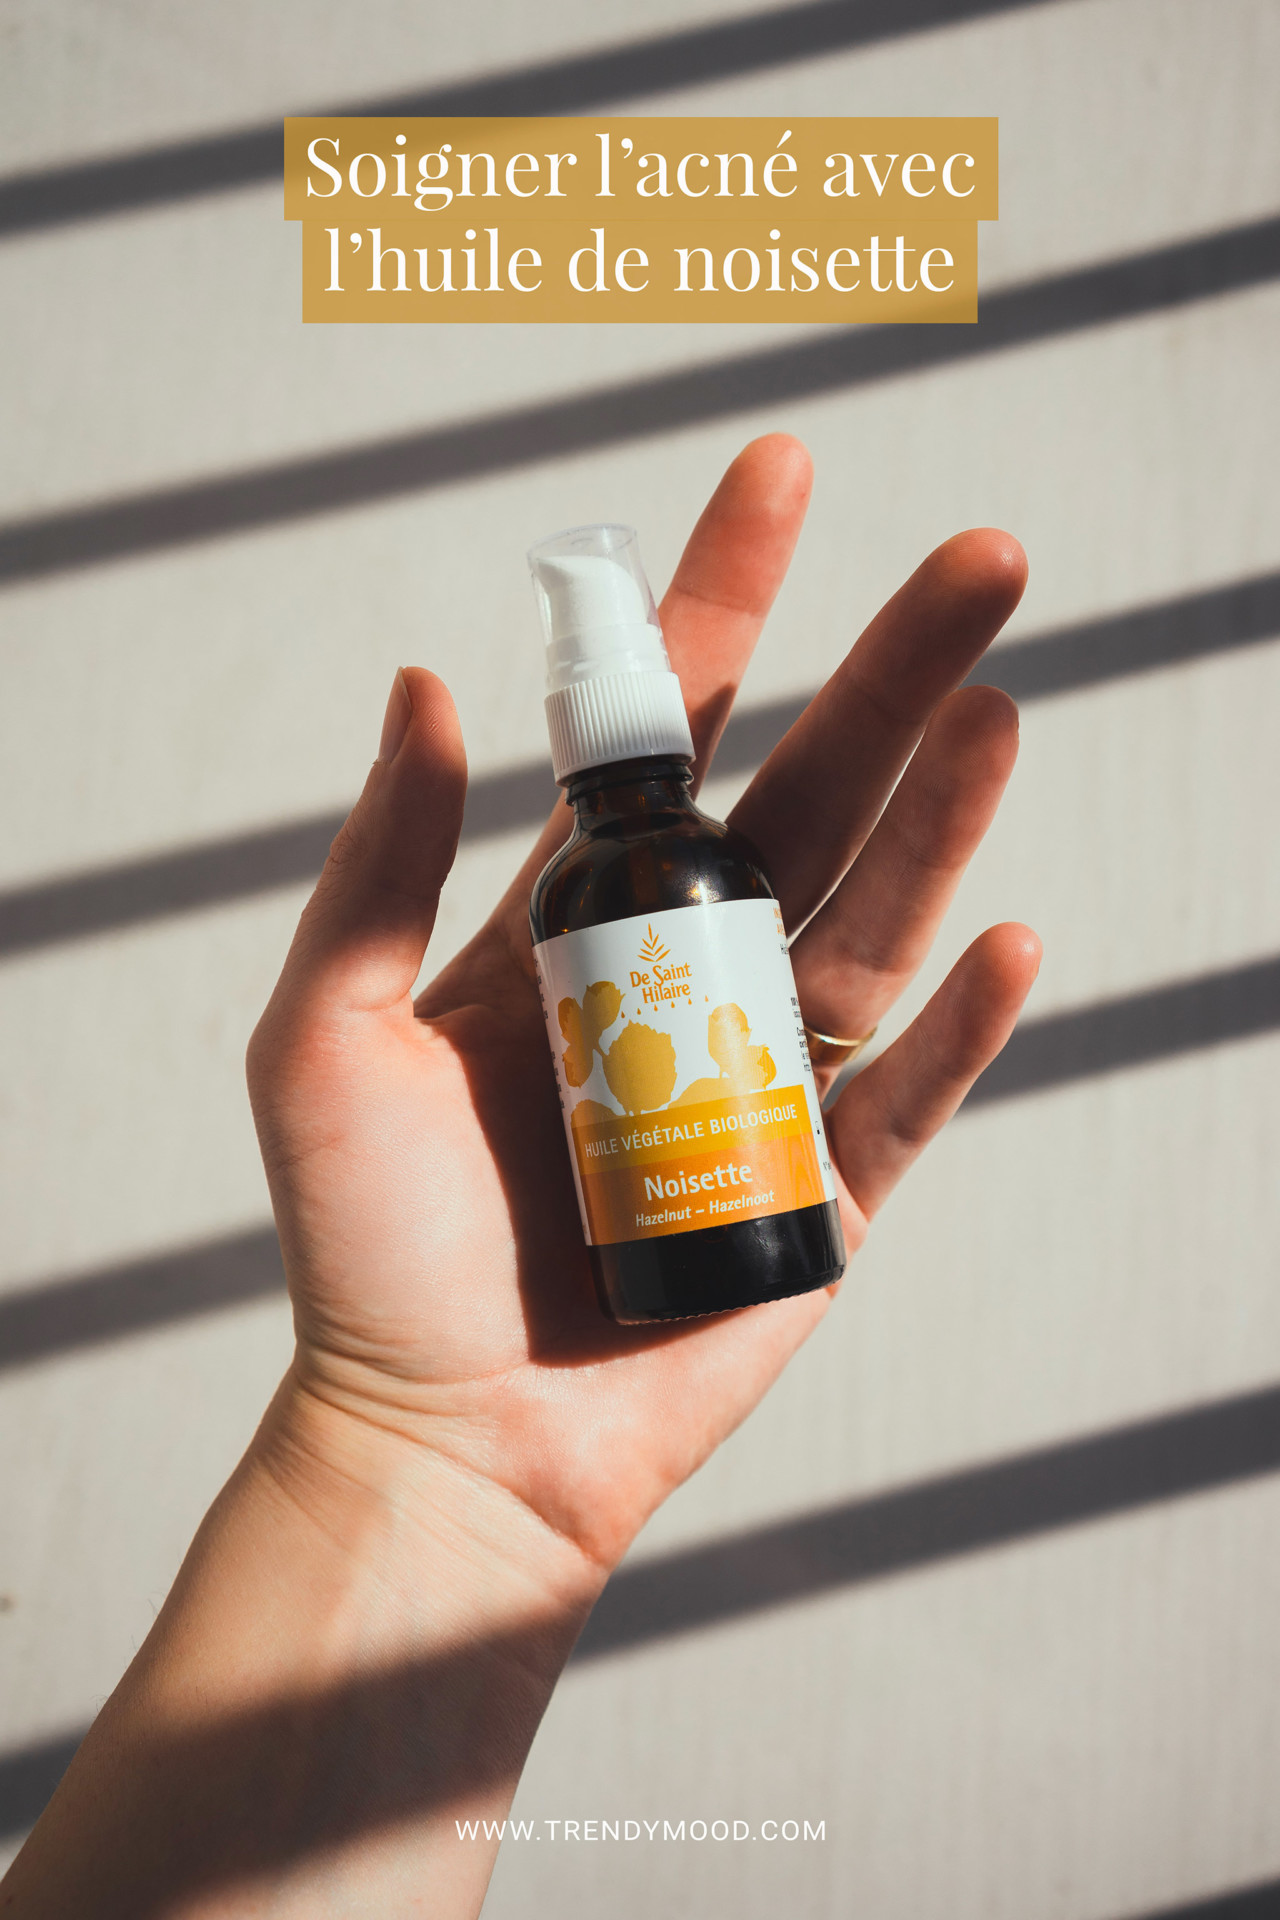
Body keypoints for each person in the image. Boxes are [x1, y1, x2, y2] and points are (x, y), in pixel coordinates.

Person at [0, 436, 1040, 1918]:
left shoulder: (694, 873)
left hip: (735, 1220)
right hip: (592, 1304)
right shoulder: (579, 892)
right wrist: (412, 1450)